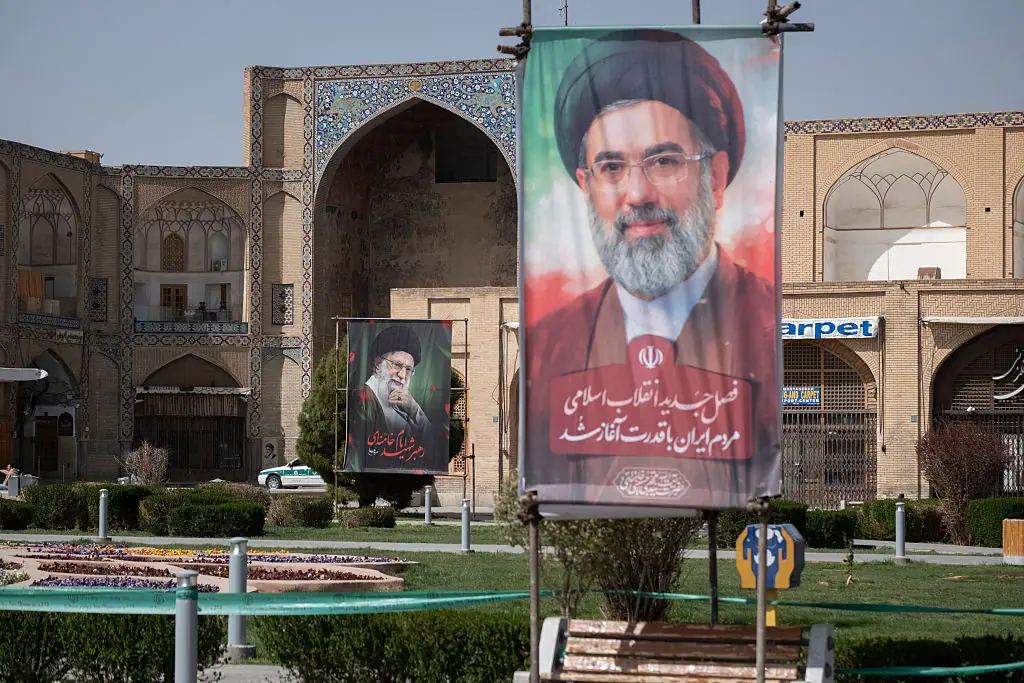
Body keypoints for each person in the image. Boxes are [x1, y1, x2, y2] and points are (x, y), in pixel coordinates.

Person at [524, 28, 779, 510]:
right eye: (612, 168)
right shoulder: (549, 345)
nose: (637, 195)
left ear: (716, 177)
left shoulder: (765, 326)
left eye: (664, 161)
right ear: (586, 186)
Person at [347, 325, 432, 469]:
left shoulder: (404, 404)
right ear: (378, 364)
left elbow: (433, 443)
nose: (403, 376)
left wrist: (415, 409)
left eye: (409, 369)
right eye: (397, 365)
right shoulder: (362, 399)